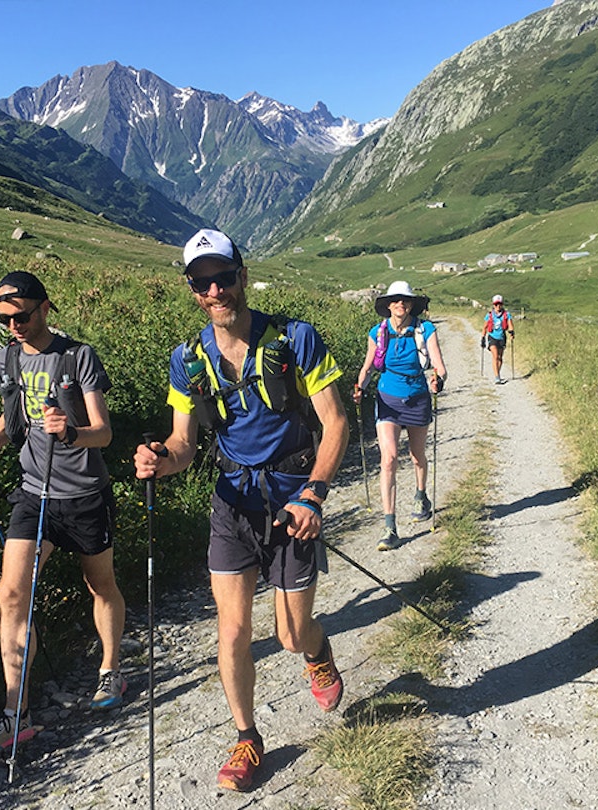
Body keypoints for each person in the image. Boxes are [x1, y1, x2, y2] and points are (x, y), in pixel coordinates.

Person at [133, 228, 350, 793]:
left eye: (222, 278)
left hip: (290, 496)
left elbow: (336, 423)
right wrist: (160, 458)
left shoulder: (295, 339)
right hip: (232, 502)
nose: (214, 291)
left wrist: (315, 493)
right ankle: (247, 738)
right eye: (201, 283)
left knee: (289, 633)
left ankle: (318, 650)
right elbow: (184, 447)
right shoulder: (188, 360)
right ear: (191, 289)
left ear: (242, 276)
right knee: (231, 631)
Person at [0, 271, 125, 755]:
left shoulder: (77, 356)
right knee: (11, 594)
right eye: (4, 318)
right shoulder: (6, 360)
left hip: (85, 494)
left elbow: (104, 432)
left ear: (45, 308)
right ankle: (16, 715)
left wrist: (71, 433)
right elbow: (11, 423)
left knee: (100, 585)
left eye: (22, 316)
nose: (14, 325)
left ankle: (110, 671)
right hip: (34, 494)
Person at [353, 280, 448, 551]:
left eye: (405, 300)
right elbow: (369, 367)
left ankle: (421, 496)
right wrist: (360, 386)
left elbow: (440, 366)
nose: (400, 304)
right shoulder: (377, 332)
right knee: (389, 458)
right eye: (395, 300)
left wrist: (438, 380)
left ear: (411, 304)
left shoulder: (425, 329)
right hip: (387, 399)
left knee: (417, 456)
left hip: (418, 396)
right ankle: (389, 527)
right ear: (388, 305)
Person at [483, 294, 514, 383]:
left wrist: (511, 332)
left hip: (502, 337)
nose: (498, 306)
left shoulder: (506, 314)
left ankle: (497, 373)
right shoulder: (489, 315)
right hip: (492, 337)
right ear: (493, 305)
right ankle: (497, 377)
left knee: (500, 358)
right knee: (495, 356)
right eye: (496, 304)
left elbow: (510, 324)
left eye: (499, 304)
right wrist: (483, 337)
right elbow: (485, 327)